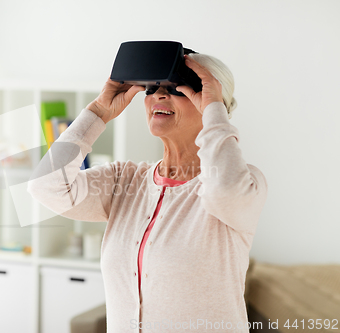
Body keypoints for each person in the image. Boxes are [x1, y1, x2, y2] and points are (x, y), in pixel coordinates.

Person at [27, 53, 268, 332]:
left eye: (177, 89)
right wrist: (98, 113)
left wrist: (215, 110)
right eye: (152, 88)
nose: (159, 96)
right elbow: (45, 186)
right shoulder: (124, 180)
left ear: (212, 104)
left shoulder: (245, 182)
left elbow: (225, 191)